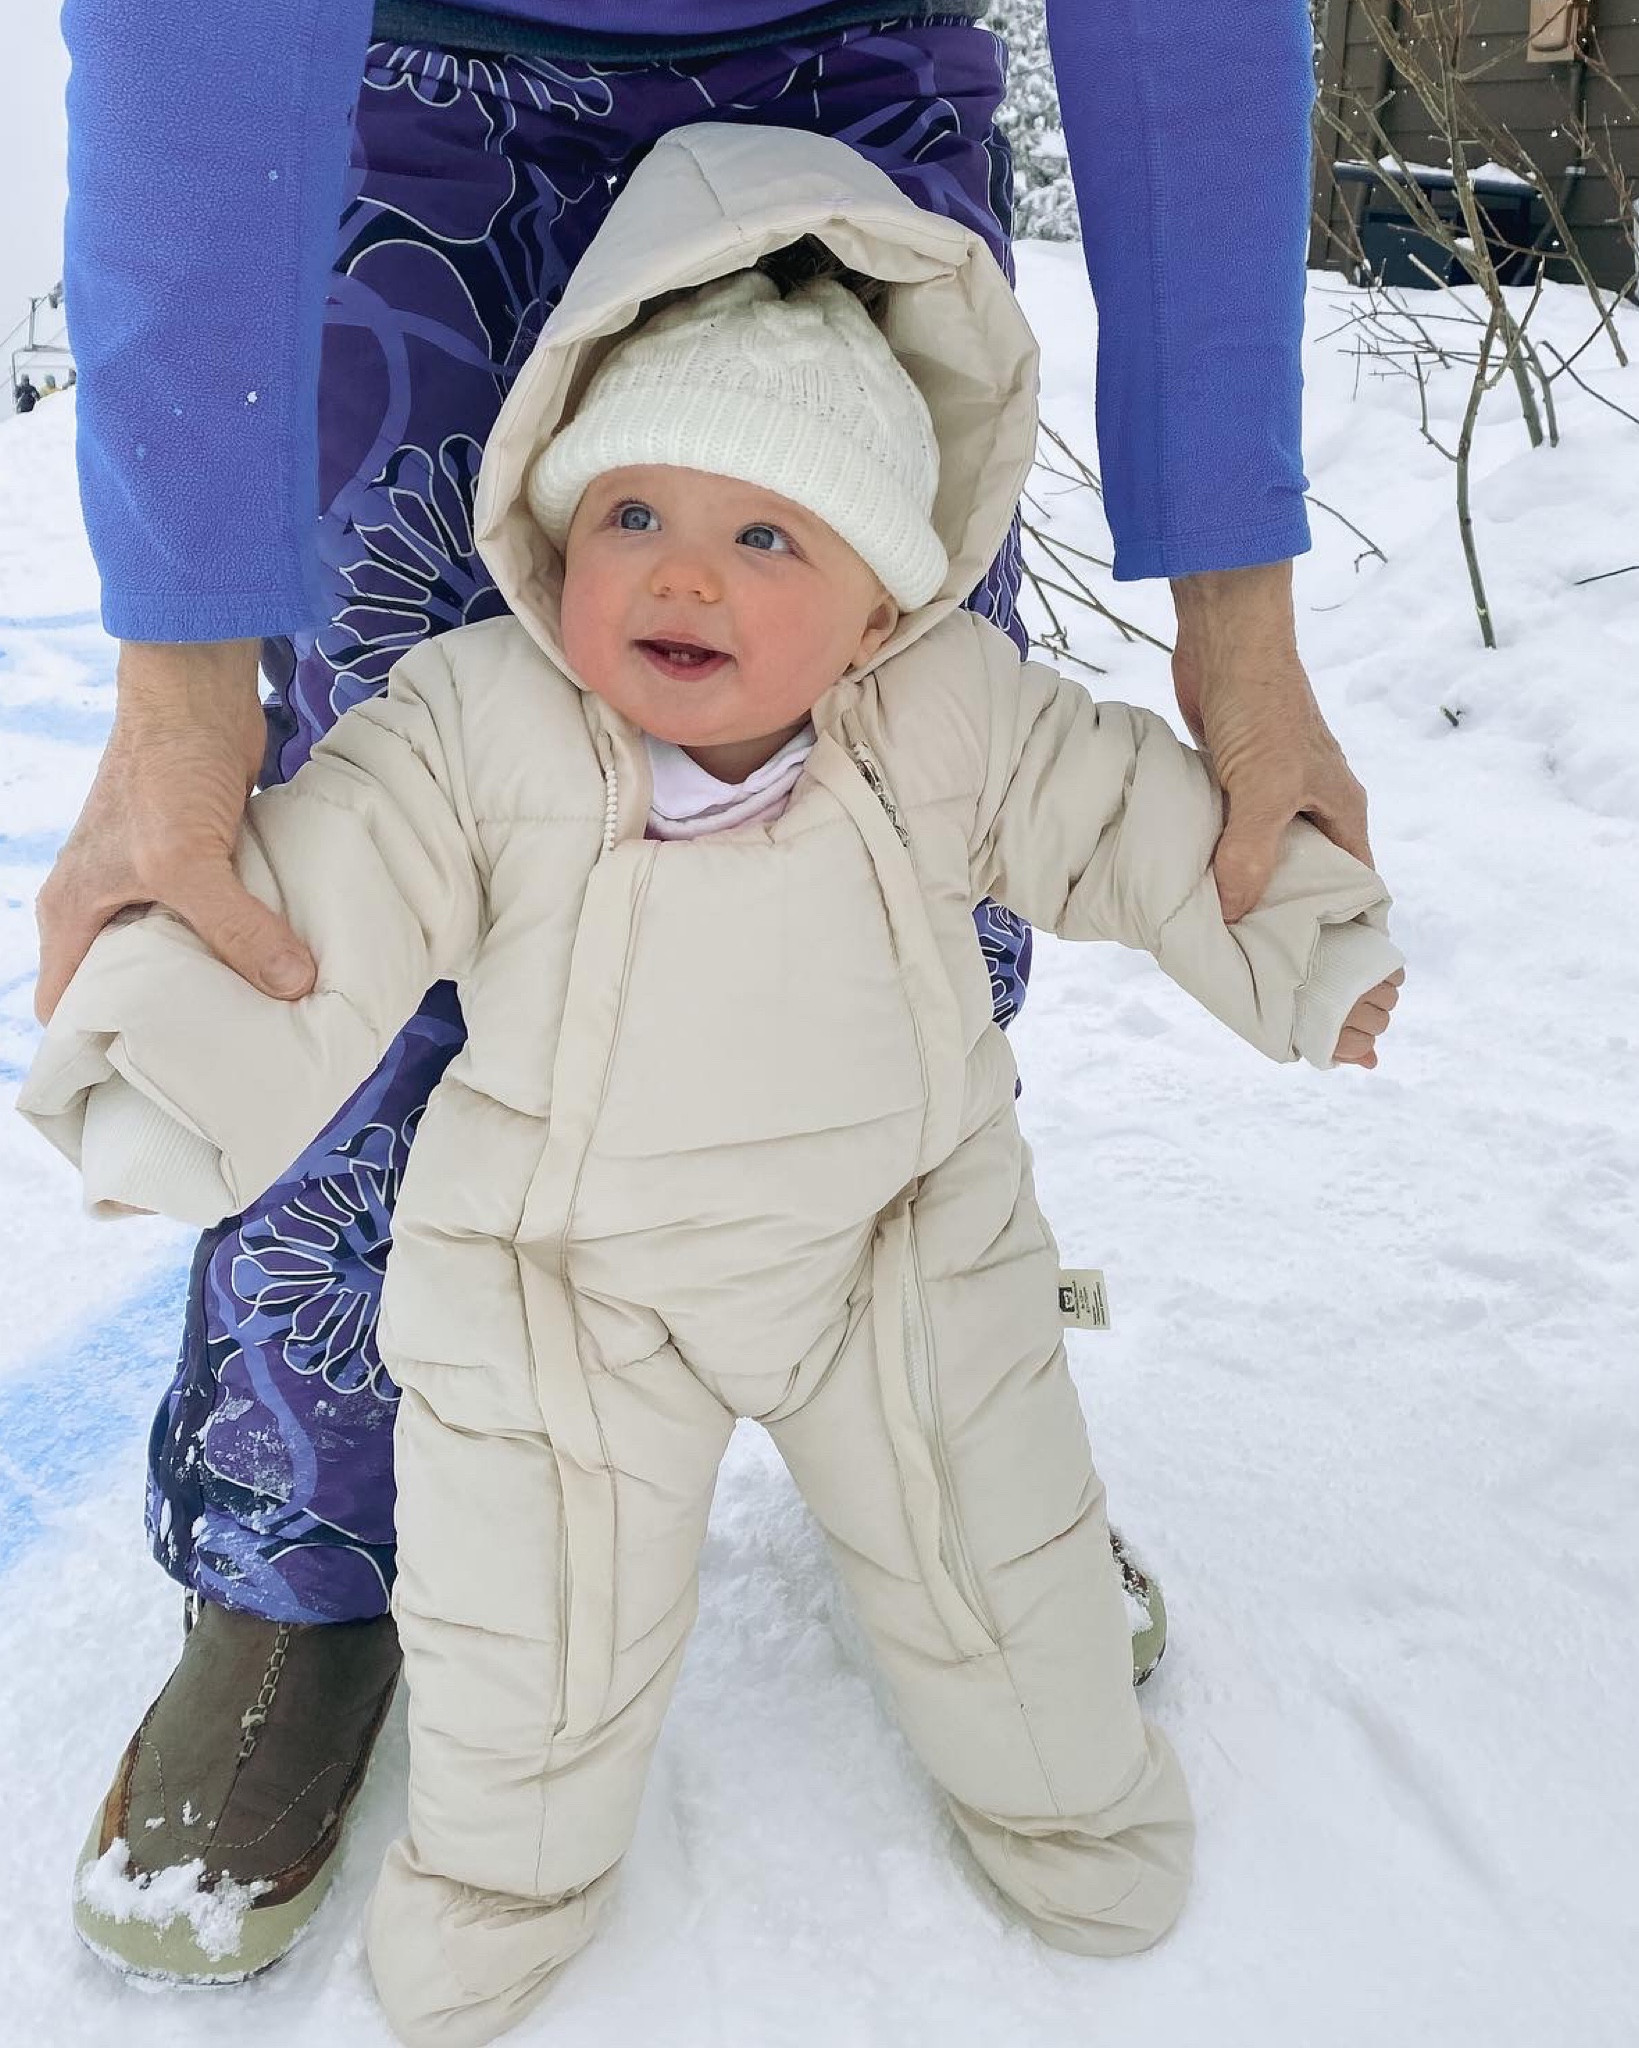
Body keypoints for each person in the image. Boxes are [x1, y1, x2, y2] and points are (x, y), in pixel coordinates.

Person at [41, 0, 1372, 1981]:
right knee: (366, 858)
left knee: (900, 808)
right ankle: (305, 1551)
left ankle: (954, 1475)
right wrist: (175, 696)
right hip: (402, 81)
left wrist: (1240, 637)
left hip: (851, 89)